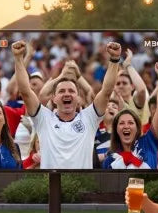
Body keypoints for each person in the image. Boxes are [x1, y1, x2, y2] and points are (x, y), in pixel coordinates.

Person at [10, 37, 123, 169]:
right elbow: (25, 91)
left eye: (71, 91)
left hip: (82, 183)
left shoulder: (90, 118)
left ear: (78, 97)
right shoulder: (43, 118)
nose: (67, 94)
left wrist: (114, 59)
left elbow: (107, 91)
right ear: (54, 98)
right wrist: (18, 58)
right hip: (51, 182)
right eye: (62, 91)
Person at [102, 62, 158, 169]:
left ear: (138, 127)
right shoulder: (109, 160)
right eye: (121, 123)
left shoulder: (148, 141)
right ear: (116, 129)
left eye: (130, 123)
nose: (126, 126)